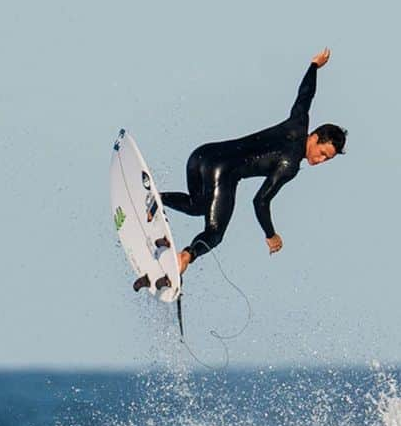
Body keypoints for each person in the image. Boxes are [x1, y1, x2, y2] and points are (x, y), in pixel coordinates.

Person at [135, 48, 346, 287]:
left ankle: (157, 199)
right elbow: (260, 201)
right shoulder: (290, 165)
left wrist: (313, 66)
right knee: (214, 233)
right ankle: (184, 257)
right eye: (323, 154)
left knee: (198, 205)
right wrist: (271, 235)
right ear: (316, 138)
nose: (320, 161)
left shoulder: (298, 123)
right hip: (222, 172)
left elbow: (305, 95)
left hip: (201, 155)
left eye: (326, 160)